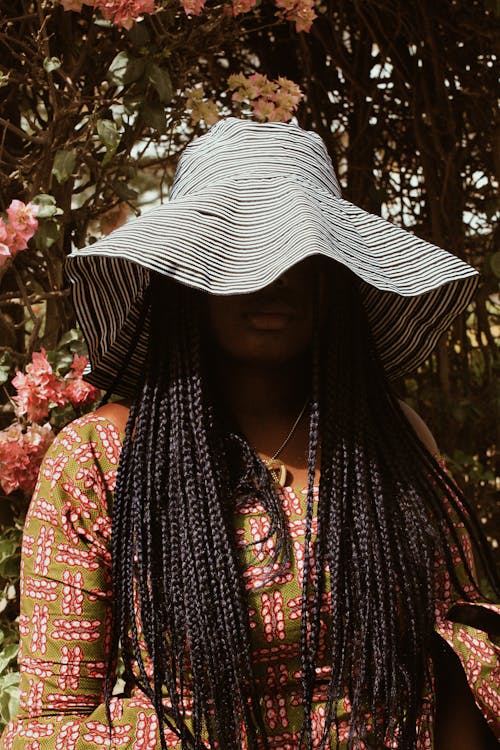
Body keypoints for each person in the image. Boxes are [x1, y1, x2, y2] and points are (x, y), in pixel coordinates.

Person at [1, 118, 498, 750]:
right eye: (242, 247)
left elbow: (456, 664)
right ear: (184, 278)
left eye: (305, 252)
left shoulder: (393, 442)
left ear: (337, 278)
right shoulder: (98, 462)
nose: (276, 276)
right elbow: (51, 726)